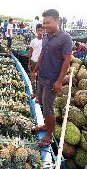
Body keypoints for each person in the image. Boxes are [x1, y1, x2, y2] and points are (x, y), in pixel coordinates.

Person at [31, 9, 72, 147]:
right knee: (42, 102)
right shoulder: (46, 36)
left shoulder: (65, 38)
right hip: (41, 76)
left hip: (52, 79)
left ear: (57, 20)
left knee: (48, 107)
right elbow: (42, 53)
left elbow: (67, 60)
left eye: (48, 22)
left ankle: (49, 135)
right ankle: (45, 126)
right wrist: (35, 69)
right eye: (44, 23)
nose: (45, 26)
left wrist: (59, 80)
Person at [28, 24, 44, 99]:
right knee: (32, 78)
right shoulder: (33, 41)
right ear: (36, 31)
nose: (40, 32)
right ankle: (34, 93)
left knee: (39, 81)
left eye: (41, 30)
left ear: (43, 31)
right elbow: (30, 53)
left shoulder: (45, 41)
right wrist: (29, 63)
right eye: (38, 30)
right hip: (33, 61)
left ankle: (38, 96)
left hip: (42, 63)